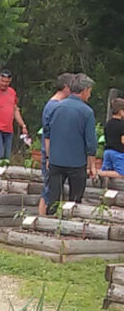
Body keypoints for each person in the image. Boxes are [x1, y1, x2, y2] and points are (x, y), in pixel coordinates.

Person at [44, 73, 97, 214]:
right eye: (89, 91)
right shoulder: (87, 112)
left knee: (53, 197)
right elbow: (90, 142)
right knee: (74, 200)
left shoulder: (55, 107)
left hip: (56, 160)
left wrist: (49, 157)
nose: (89, 95)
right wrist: (92, 165)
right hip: (76, 163)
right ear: (84, 90)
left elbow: (47, 134)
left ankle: (48, 225)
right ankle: (71, 225)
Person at [37, 73, 73, 215]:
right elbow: (48, 134)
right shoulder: (53, 106)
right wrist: (48, 157)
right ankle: (41, 218)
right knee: (48, 188)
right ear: (66, 87)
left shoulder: (57, 105)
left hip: (56, 153)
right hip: (51, 153)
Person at [99, 98, 124, 178]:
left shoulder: (108, 123)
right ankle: (98, 174)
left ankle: (100, 174)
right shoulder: (122, 125)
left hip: (108, 151)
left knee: (106, 169)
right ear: (121, 111)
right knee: (121, 173)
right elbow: (123, 140)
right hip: (118, 152)